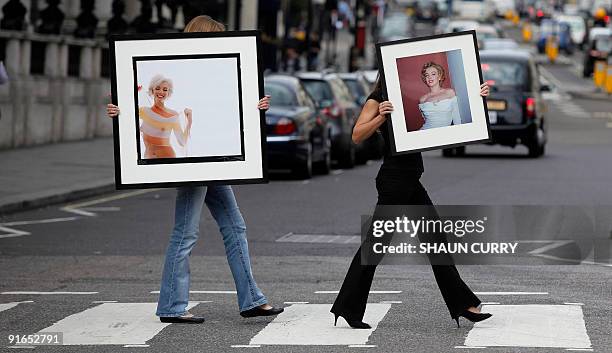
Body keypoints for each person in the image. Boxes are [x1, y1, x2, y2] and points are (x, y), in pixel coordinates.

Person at [106, 15, 283, 324]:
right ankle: (172, 306)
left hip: (212, 159)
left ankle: (251, 299)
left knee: (234, 227)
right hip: (191, 163)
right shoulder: (180, 71)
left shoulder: (213, 72)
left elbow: (222, 107)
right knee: (185, 233)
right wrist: (120, 110)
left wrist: (255, 108)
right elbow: (140, 105)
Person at [330, 77, 491, 329]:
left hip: (410, 182)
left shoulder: (410, 100)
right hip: (394, 183)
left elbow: (444, 114)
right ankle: (347, 307)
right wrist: (381, 116)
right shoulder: (377, 100)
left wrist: (477, 98)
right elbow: (357, 135)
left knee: (435, 241)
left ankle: (462, 304)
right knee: (375, 247)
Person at [138, 75, 191, 159]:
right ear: (152, 90)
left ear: (168, 93)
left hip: (166, 157)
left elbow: (182, 142)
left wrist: (189, 121)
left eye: (165, 90)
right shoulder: (143, 111)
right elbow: (127, 117)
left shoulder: (173, 116)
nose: (161, 92)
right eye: (157, 88)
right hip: (148, 157)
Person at [418, 62, 461, 130]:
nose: (429, 77)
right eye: (427, 75)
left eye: (433, 74)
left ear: (440, 76)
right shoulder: (422, 99)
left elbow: (457, 118)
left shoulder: (449, 93)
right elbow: (426, 120)